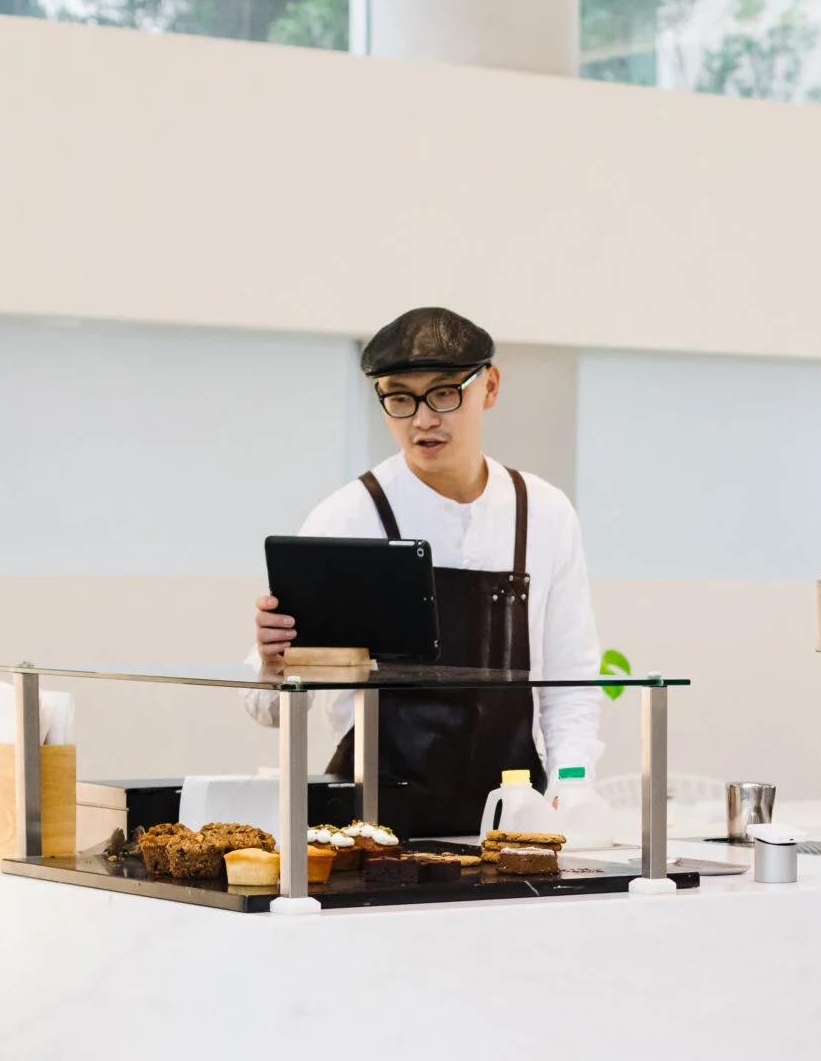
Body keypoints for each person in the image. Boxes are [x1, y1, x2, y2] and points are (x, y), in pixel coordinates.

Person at [250, 308, 601, 829]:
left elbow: (570, 682)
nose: (422, 419)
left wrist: (571, 787)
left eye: (443, 393)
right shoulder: (347, 517)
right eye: (399, 398)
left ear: (491, 386)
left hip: (508, 820)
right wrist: (272, 664)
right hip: (369, 824)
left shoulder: (543, 512)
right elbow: (273, 709)